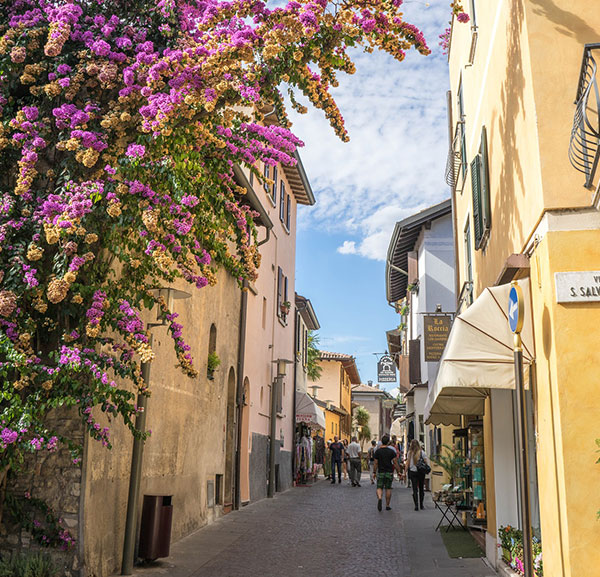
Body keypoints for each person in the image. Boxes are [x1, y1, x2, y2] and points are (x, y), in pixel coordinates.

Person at [373, 434, 400, 511]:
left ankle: (380, 497)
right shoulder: (391, 452)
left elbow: (375, 463)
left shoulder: (377, 452)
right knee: (388, 488)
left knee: (379, 487)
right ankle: (387, 505)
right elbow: (395, 462)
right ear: (388, 442)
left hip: (381, 472)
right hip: (389, 472)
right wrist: (398, 472)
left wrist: (374, 472)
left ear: (381, 442)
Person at [406, 438, 430, 511]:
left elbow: (407, 463)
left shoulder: (409, 453)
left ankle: (416, 505)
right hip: (420, 472)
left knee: (414, 489)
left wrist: (405, 472)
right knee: (421, 488)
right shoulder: (422, 452)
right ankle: (421, 504)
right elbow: (426, 462)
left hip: (413, 472)